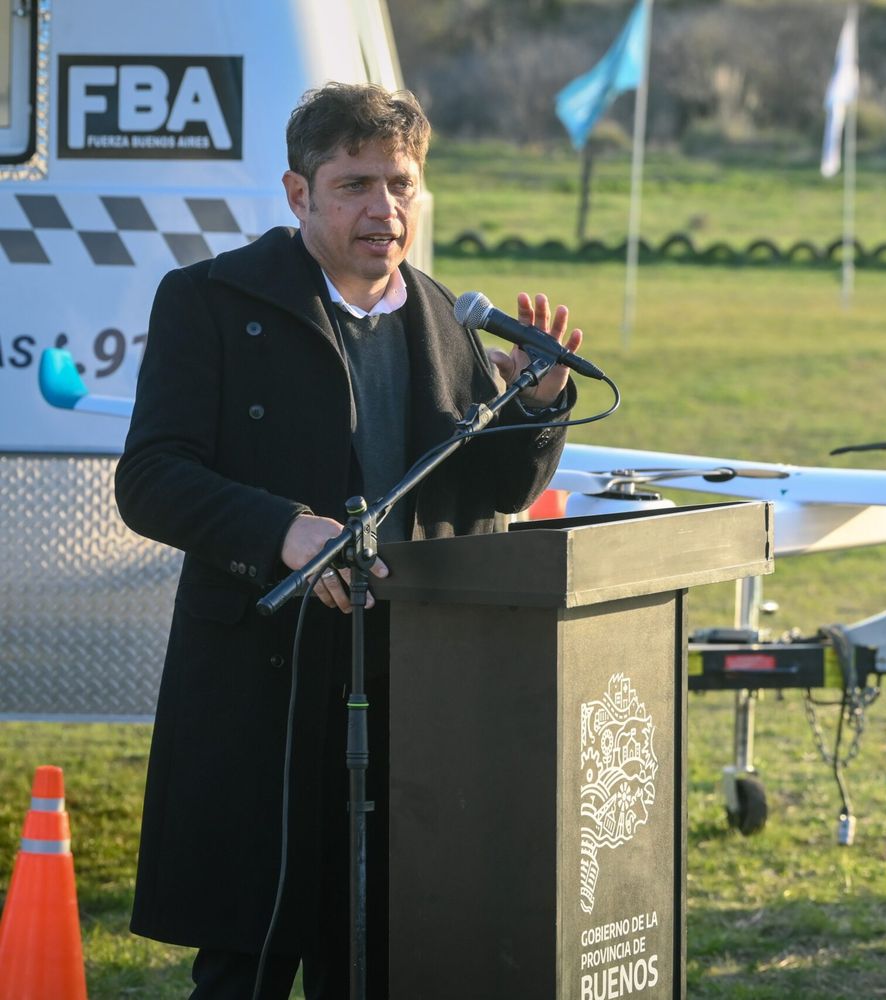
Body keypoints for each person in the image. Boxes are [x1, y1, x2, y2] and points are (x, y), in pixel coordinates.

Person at [115, 82, 581, 999]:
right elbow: (152, 480)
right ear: (299, 195)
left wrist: (537, 408)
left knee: (377, 951)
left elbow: (494, 493)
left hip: (411, 684)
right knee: (247, 958)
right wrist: (284, 531)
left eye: (402, 183)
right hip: (265, 682)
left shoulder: (448, 317)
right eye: (355, 184)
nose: (385, 208)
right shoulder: (207, 302)